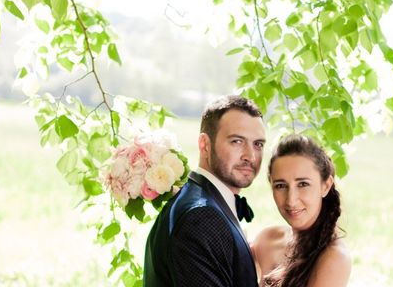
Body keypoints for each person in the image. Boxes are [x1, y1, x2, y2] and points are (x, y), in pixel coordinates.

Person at [143, 95, 266, 287]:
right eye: (237, 141)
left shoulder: (198, 200)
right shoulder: (201, 217)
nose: (250, 156)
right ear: (205, 145)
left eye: (258, 144)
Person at [252, 134, 351, 287]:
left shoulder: (334, 258)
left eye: (303, 184)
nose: (291, 200)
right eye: (280, 186)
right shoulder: (267, 240)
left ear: (325, 185)